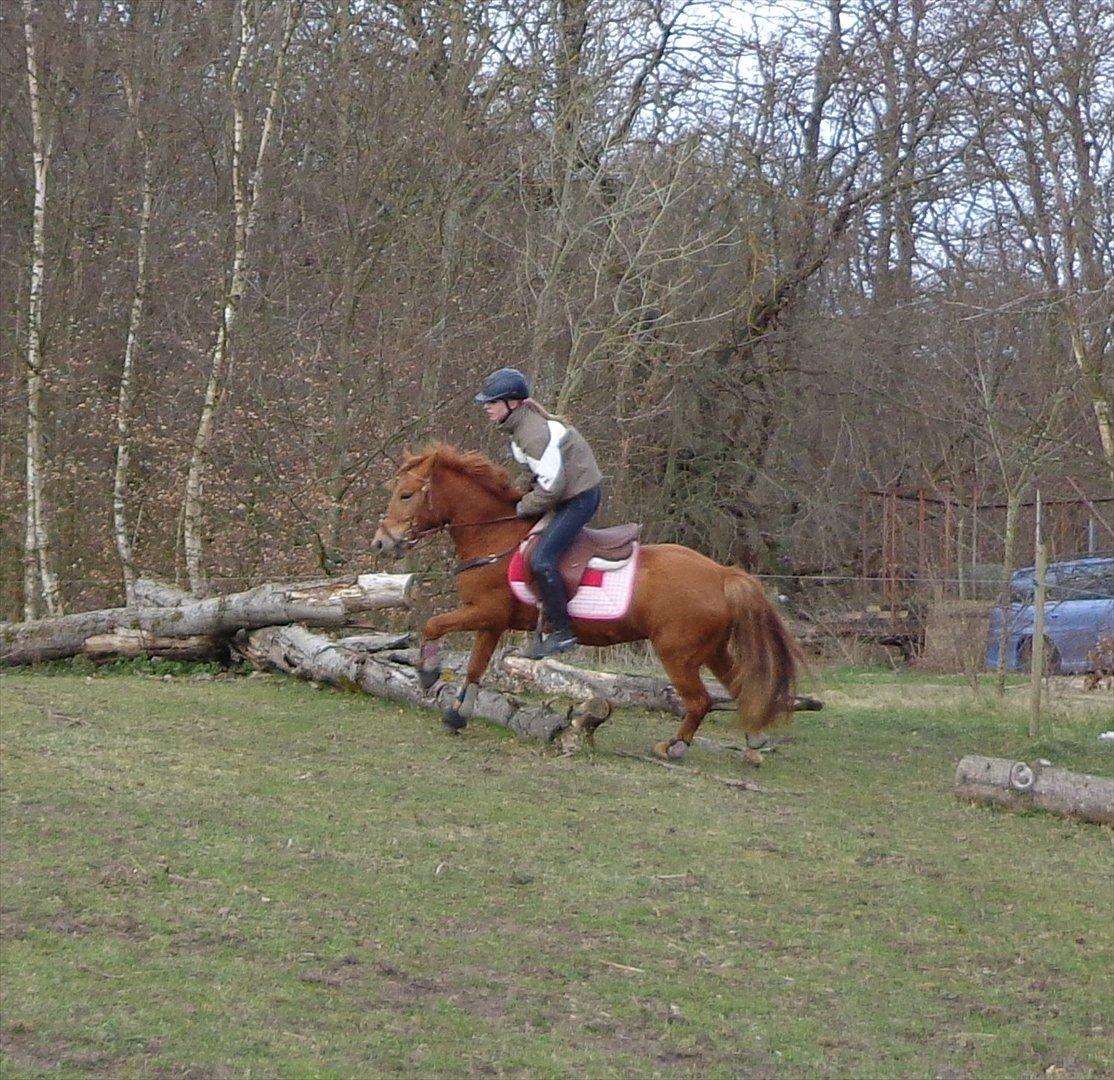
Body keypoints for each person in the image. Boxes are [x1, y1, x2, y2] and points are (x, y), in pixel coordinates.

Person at [475, 367, 603, 658]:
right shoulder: (518, 431)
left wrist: (521, 507)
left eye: (492, 402)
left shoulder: (532, 434)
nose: (486, 407)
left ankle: (562, 632)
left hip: (579, 499)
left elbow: (550, 490)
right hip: (563, 495)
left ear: (512, 403)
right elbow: (529, 476)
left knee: (544, 559)